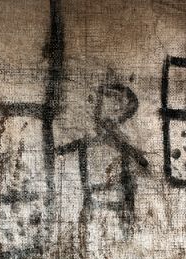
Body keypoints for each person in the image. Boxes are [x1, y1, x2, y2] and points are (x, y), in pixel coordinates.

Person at [57, 80, 149, 234]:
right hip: (95, 205)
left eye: (115, 109)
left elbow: (142, 162)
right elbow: (142, 161)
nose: (106, 117)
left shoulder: (120, 145)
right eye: (102, 106)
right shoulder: (92, 142)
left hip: (114, 206)